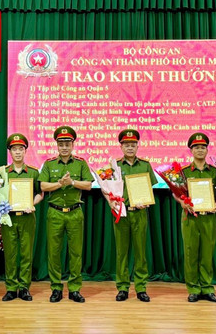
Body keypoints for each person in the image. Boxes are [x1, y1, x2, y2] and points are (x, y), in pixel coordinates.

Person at [39, 126, 94, 303]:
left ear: (72, 145)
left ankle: (74, 289)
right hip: (54, 213)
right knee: (54, 253)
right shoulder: (49, 164)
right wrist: (60, 184)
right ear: (57, 145)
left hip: (75, 213)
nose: (64, 147)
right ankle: (56, 288)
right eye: (61, 143)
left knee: (76, 253)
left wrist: (72, 182)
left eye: (67, 143)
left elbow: (88, 185)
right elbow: (43, 187)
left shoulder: (81, 163)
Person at [174, 133, 216, 303]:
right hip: (190, 217)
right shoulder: (183, 172)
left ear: (207, 149)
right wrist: (183, 203)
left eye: (203, 147)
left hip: (208, 217)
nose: (200, 150)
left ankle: (207, 288)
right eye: (196, 147)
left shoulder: (214, 171)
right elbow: (176, 193)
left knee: (207, 253)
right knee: (191, 253)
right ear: (191, 150)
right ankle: (193, 289)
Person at [105, 129, 156, 302]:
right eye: (126, 145)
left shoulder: (145, 165)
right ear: (121, 146)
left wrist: (146, 200)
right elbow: (106, 189)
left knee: (141, 252)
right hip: (121, 212)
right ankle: (123, 287)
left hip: (139, 212)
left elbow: (150, 189)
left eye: (133, 144)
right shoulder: (115, 166)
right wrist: (110, 201)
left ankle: (141, 287)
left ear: (137, 146)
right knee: (122, 252)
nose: (130, 148)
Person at [1, 134, 44, 302]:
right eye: (14, 149)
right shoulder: (3, 172)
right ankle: (11, 288)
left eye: (21, 149)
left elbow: (40, 194)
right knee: (10, 254)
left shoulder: (33, 172)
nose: (18, 152)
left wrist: (33, 204)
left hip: (27, 217)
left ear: (25, 151)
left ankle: (24, 287)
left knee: (26, 253)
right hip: (9, 218)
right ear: (10, 151)